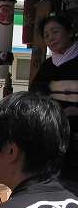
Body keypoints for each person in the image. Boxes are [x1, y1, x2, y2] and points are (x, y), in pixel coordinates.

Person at [30, 13, 78, 178]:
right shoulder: (48, 65)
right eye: (46, 35)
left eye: (55, 32)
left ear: (70, 32)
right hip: (55, 114)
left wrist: (76, 110)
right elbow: (36, 92)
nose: (51, 38)